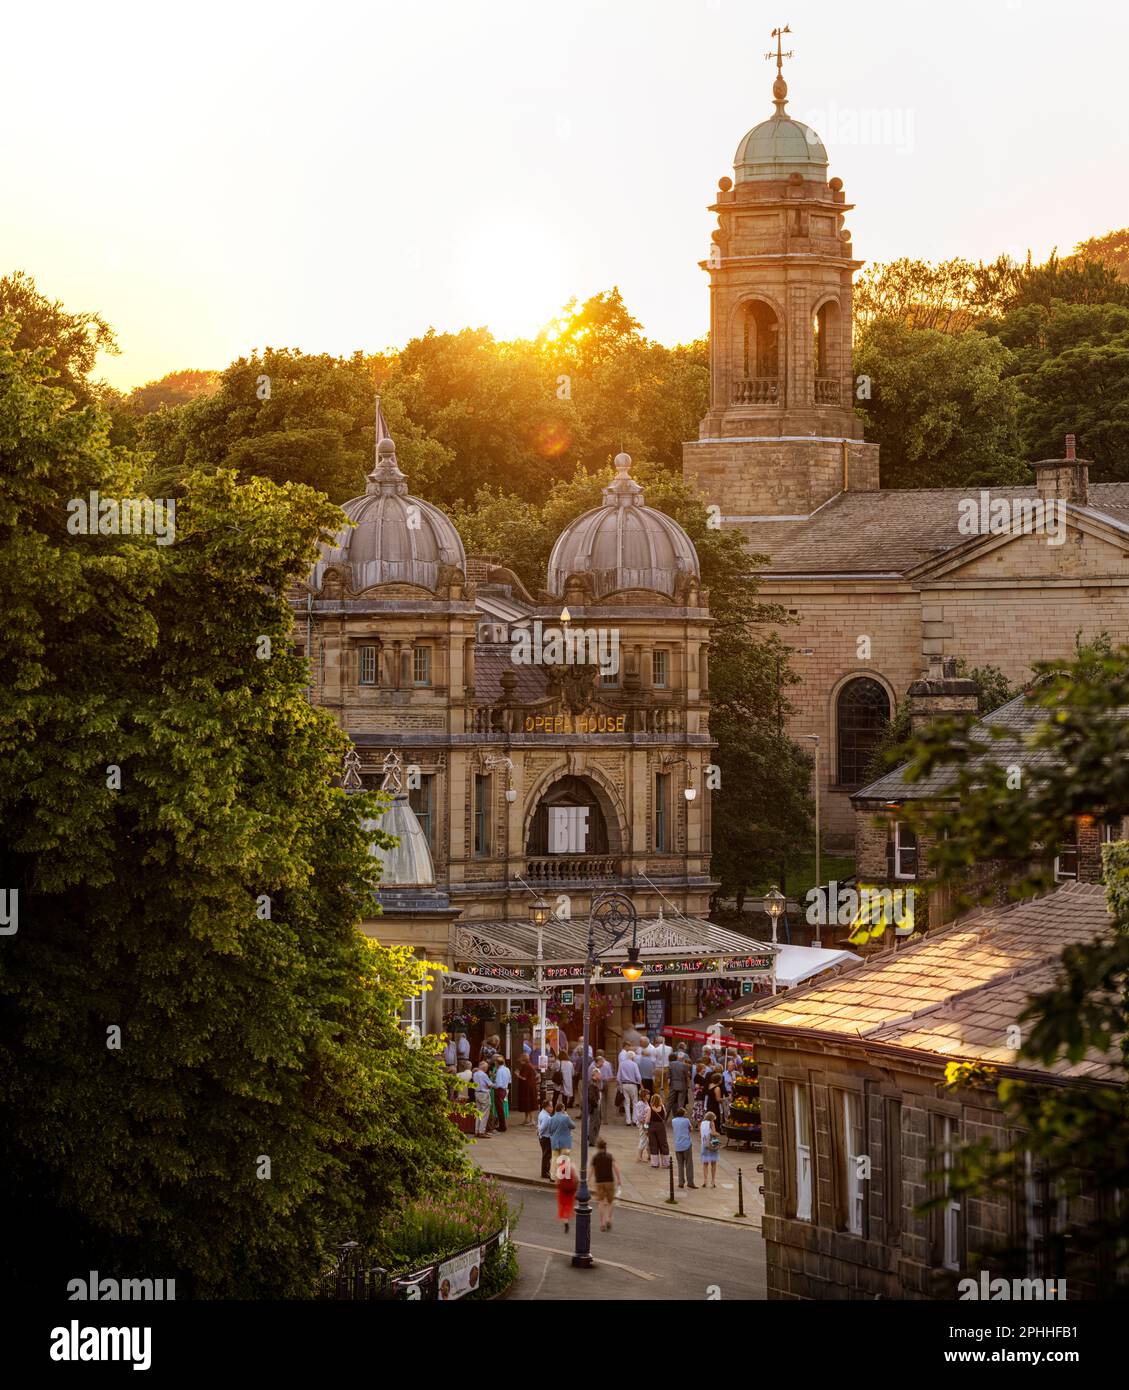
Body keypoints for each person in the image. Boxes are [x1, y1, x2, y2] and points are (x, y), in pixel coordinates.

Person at [591, 1139, 621, 1232]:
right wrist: (619, 1179)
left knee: (600, 1202)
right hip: (609, 1181)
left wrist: (588, 1179)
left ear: (598, 1147)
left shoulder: (595, 1157)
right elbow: (616, 1168)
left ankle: (602, 1223)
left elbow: (591, 1170)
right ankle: (609, 1219)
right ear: (605, 1147)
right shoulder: (610, 1156)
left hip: (599, 1181)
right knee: (610, 1201)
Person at [547, 1099, 575, 1180]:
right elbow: (573, 1126)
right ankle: (563, 1176)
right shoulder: (565, 1118)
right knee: (564, 1159)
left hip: (555, 1141)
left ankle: (553, 1176)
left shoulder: (552, 1118)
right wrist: (568, 1116)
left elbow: (550, 1130)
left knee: (554, 1159)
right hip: (565, 1142)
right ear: (562, 1109)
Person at [672, 1106, 696, 1189]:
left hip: (677, 1145)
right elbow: (690, 1129)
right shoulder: (686, 1120)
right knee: (689, 1164)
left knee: (680, 1165)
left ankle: (681, 1182)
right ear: (683, 1113)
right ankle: (690, 1182)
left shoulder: (673, 1121)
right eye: (685, 1112)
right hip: (686, 1144)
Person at [617, 1050, 642, 1126]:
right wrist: (639, 1082)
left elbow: (618, 1077)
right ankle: (634, 1120)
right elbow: (638, 1076)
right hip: (633, 1085)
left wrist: (620, 1085)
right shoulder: (634, 1064)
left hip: (624, 1085)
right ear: (632, 1057)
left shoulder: (621, 1064)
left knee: (626, 1103)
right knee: (635, 1102)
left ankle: (628, 1121)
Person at [556, 1156, 579, 1234]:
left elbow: (558, 1180)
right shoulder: (572, 1166)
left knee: (563, 1205)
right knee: (569, 1205)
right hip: (570, 1190)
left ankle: (565, 1221)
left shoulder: (561, 1168)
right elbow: (576, 1178)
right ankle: (568, 1216)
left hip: (563, 1190)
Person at [647, 1093, 670, 1167]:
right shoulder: (662, 1107)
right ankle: (666, 1163)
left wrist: (646, 1128)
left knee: (653, 1144)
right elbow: (665, 1115)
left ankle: (655, 1163)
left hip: (652, 1127)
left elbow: (647, 1120)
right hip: (661, 1126)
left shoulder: (650, 1108)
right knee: (663, 1144)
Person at [472, 1062, 492, 1137]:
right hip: (484, 1094)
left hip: (477, 1093)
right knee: (485, 1113)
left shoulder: (475, 1074)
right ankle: (482, 1131)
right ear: (485, 1068)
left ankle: (477, 1130)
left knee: (478, 1112)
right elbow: (489, 1084)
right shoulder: (484, 1075)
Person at [700, 1111, 720, 1188]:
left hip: (704, 1144)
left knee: (705, 1164)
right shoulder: (711, 1123)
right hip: (712, 1144)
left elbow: (700, 1135)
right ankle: (713, 1181)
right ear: (711, 1118)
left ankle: (705, 1181)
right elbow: (713, 1133)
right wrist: (718, 1134)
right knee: (713, 1163)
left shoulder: (702, 1123)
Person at [669, 1049, 691, 1116]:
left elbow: (669, 1076)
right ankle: (680, 1116)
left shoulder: (671, 1064)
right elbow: (687, 1077)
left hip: (673, 1085)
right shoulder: (684, 1066)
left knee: (671, 1102)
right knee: (681, 1103)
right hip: (682, 1086)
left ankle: (671, 1116)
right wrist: (687, 1086)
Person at [517, 1056, 539, 1126]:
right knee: (528, 1104)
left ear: (523, 1060)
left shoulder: (525, 1066)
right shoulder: (530, 1065)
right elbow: (536, 1075)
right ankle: (526, 1119)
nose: (520, 1062)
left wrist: (518, 1075)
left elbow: (524, 1078)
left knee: (528, 1103)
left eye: (520, 1061)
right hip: (531, 1087)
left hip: (527, 1088)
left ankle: (532, 1120)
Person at [493, 1056, 512, 1133]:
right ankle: (502, 1125)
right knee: (501, 1109)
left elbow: (498, 1084)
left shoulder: (499, 1071)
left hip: (499, 1090)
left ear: (497, 1063)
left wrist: (492, 1085)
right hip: (504, 1089)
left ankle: (502, 1126)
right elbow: (509, 1080)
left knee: (500, 1109)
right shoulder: (507, 1069)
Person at [536, 1097, 554, 1178]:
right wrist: (540, 1132)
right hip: (546, 1137)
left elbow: (539, 1125)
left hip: (542, 1137)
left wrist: (539, 1132)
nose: (552, 1108)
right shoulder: (547, 1117)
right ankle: (545, 1172)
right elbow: (542, 1128)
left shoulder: (541, 1113)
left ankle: (546, 1171)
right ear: (546, 1107)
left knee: (545, 1155)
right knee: (547, 1155)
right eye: (550, 1106)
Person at [586, 1072, 603, 1145]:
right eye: (599, 1074)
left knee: (597, 1122)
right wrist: (595, 1104)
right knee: (594, 1123)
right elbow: (591, 1096)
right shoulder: (592, 1084)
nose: (600, 1076)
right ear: (595, 1075)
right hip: (595, 1106)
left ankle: (594, 1139)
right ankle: (592, 1140)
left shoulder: (596, 1083)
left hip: (596, 1105)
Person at [633, 1093, 651, 1161]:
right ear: (643, 1096)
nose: (648, 1095)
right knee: (643, 1138)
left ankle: (649, 1155)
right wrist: (644, 1124)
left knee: (648, 1139)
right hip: (643, 1123)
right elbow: (639, 1115)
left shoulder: (646, 1102)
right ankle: (639, 1156)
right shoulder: (640, 1104)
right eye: (647, 1094)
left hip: (646, 1123)